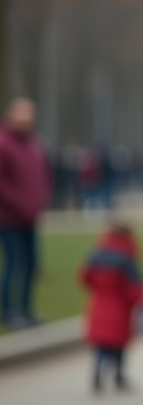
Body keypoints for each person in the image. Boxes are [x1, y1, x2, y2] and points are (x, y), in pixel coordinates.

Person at [0, 98, 52, 329]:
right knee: (15, 262)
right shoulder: (3, 143)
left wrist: (41, 199)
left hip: (31, 217)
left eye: (29, 114)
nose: (26, 118)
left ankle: (26, 308)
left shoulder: (35, 145)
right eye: (22, 113)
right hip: (8, 217)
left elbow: (43, 177)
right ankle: (8, 310)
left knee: (32, 264)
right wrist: (21, 203)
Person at [80, 220, 143, 393]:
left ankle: (98, 371)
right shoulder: (127, 258)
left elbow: (84, 277)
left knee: (101, 344)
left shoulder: (96, 254)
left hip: (98, 304)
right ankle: (119, 376)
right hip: (120, 308)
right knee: (119, 346)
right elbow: (134, 289)